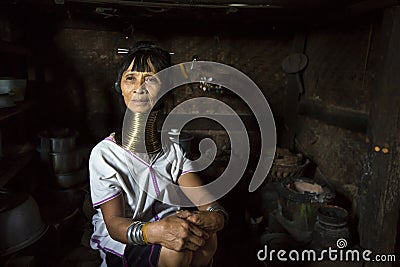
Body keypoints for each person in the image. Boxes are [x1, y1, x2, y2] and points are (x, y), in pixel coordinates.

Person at [89, 41, 228, 267]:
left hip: (170, 227)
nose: (139, 87)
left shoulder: (171, 150)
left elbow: (205, 202)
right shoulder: (105, 155)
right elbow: (114, 225)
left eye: (151, 79)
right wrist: (155, 231)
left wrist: (215, 217)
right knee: (177, 252)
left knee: (207, 239)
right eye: (130, 78)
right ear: (120, 87)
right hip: (125, 238)